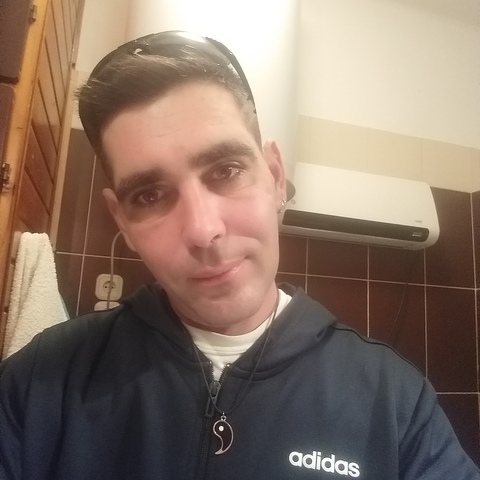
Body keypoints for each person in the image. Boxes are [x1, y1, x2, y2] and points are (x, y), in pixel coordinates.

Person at [0, 31, 479, 480]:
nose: (203, 230)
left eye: (226, 170)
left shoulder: (394, 402)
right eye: (149, 195)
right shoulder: (41, 381)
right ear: (121, 220)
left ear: (275, 176)